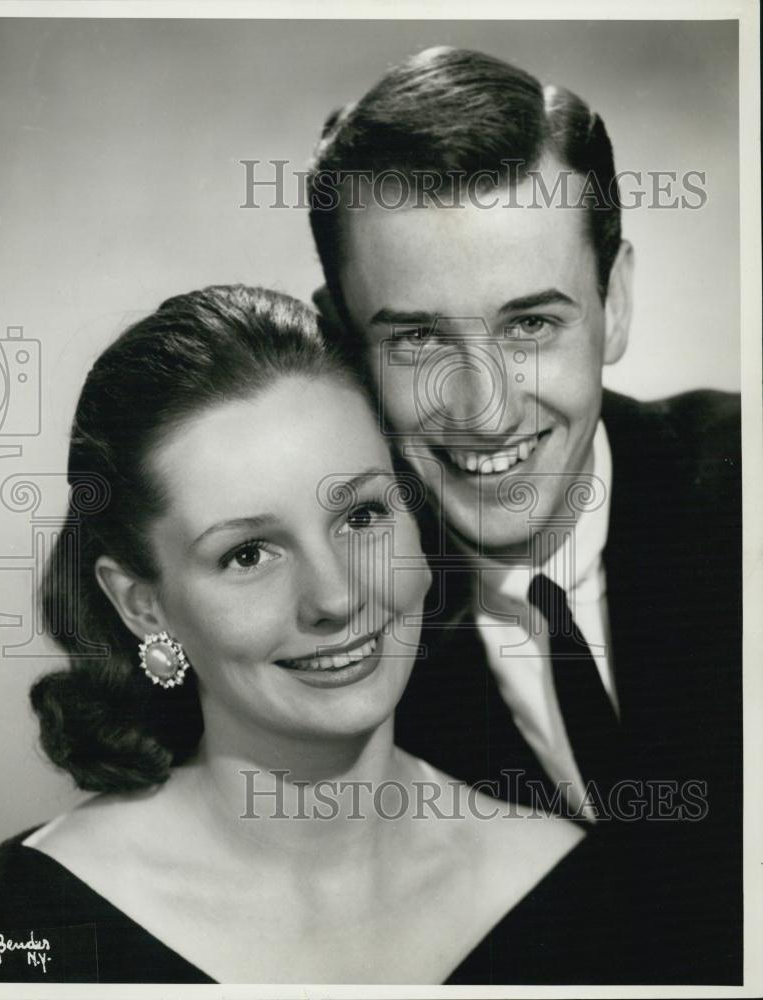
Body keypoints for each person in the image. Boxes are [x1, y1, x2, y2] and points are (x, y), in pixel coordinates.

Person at [0, 283, 623, 985]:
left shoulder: (576, 893)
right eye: (248, 555)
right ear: (143, 606)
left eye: (362, 518)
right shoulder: (21, 922)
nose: (335, 597)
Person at [308, 47, 742, 982]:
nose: (485, 410)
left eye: (530, 325)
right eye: (418, 337)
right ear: (343, 346)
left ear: (614, 303)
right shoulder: (322, 642)